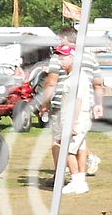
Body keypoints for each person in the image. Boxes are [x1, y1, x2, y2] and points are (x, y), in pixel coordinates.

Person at [41, 43, 101, 195]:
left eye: (64, 57)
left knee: (67, 149)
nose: (61, 60)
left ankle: (76, 181)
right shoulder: (72, 77)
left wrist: (72, 122)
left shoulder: (76, 78)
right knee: (79, 148)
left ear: (73, 58)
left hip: (76, 118)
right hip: (74, 116)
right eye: (60, 56)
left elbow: (78, 101)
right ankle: (80, 180)